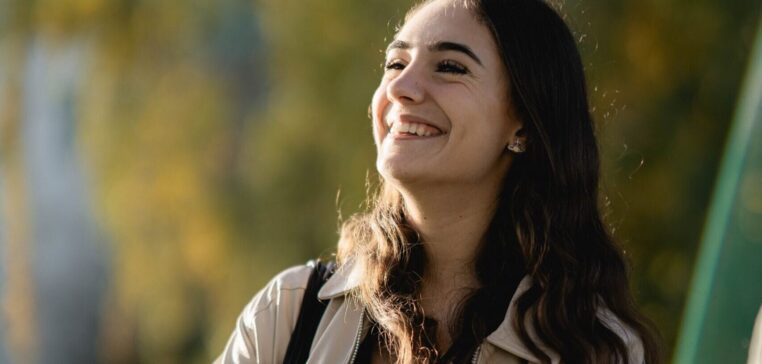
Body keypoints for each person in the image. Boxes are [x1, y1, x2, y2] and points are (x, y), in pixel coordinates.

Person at [216, 0, 660, 362]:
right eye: (395, 63)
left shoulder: (593, 351)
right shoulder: (288, 315)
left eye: (450, 67)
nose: (401, 88)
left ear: (523, 123)